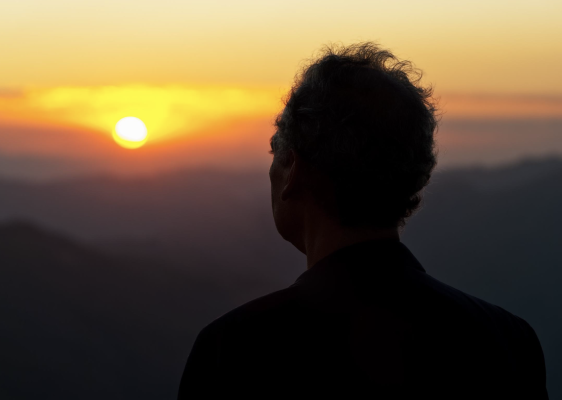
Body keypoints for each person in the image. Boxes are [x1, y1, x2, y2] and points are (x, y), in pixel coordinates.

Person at [178, 42, 548, 399]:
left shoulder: (238, 350)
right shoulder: (508, 341)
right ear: (415, 178)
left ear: (293, 169)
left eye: (275, 150)